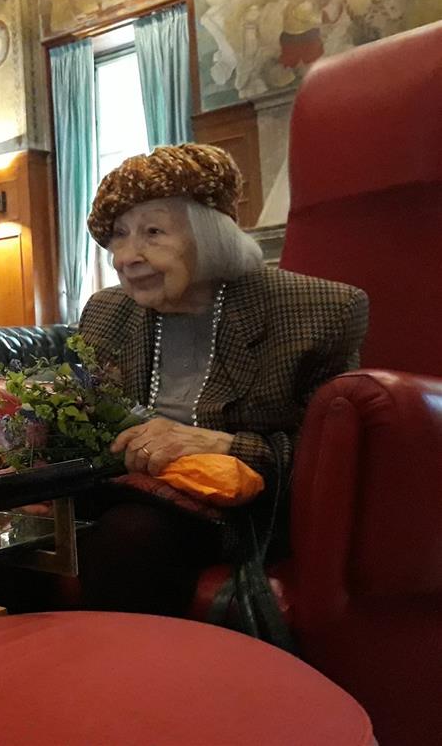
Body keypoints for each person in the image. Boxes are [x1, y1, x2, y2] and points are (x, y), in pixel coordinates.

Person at [74, 143, 368, 614]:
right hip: (120, 488)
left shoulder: (316, 311)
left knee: (130, 537)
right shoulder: (107, 311)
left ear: (210, 234)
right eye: (119, 235)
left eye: (153, 232)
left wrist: (223, 445)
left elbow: (332, 460)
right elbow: (87, 415)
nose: (126, 256)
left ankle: (124, 662)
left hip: (236, 509)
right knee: (5, 532)